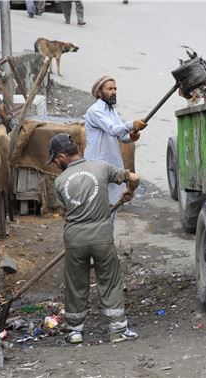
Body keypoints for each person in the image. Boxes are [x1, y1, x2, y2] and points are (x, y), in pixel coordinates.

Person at [48, 133, 140, 344]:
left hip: (75, 241)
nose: (54, 163)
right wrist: (129, 191)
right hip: (102, 238)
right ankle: (118, 331)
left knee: (76, 284)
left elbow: (64, 213)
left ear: (63, 155)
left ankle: (75, 331)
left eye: (55, 158)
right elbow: (134, 178)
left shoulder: (60, 181)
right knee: (109, 281)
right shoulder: (101, 167)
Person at [84, 76, 147, 208]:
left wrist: (131, 137)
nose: (114, 92)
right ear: (99, 93)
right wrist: (132, 124)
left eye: (115, 89)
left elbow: (121, 135)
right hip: (97, 164)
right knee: (98, 205)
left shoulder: (112, 112)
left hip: (112, 166)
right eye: (110, 89)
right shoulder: (95, 111)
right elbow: (113, 129)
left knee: (113, 204)